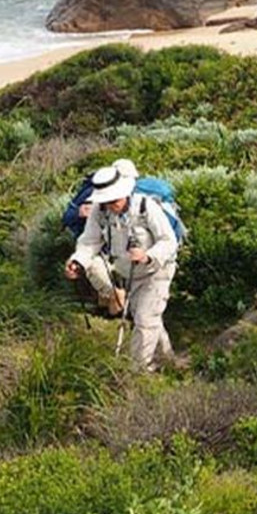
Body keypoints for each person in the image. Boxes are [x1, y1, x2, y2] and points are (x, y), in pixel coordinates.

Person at [65, 159, 179, 371]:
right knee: (145, 316)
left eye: (114, 199)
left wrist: (148, 255)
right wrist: (78, 262)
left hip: (157, 271)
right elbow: (89, 242)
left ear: (124, 192)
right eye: (107, 200)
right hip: (130, 274)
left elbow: (168, 240)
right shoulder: (99, 212)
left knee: (145, 319)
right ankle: (168, 362)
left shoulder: (147, 206)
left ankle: (137, 374)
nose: (111, 204)